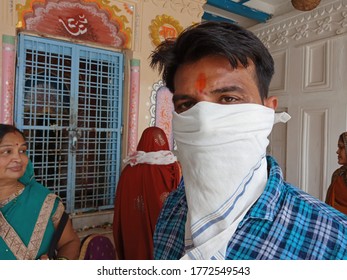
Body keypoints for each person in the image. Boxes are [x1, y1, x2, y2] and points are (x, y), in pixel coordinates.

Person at [149, 21, 347, 260]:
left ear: (267, 110)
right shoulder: (173, 209)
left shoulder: (334, 241)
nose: (205, 123)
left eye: (229, 99)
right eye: (187, 105)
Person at [0, 124, 80, 260]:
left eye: (22, 151)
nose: (19, 159)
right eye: (7, 151)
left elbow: (70, 242)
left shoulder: (43, 201)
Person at [113, 126, 181, 259]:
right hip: (161, 234)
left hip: (132, 230)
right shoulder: (170, 168)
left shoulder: (129, 169)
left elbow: (121, 206)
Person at [325, 132, 347, 214]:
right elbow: (327, 207)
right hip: (333, 225)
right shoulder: (338, 174)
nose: (337, 151)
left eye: (341, 147)